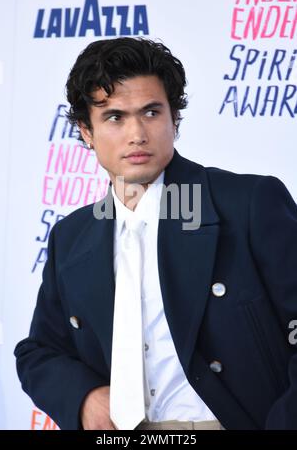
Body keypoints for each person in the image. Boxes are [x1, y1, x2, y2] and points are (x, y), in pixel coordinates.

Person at [15, 37, 297, 430]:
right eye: (114, 117)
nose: (136, 134)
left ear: (173, 119)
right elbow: (38, 351)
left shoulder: (248, 204)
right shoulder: (72, 236)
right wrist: (83, 396)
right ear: (86, 131)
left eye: (150, 112)